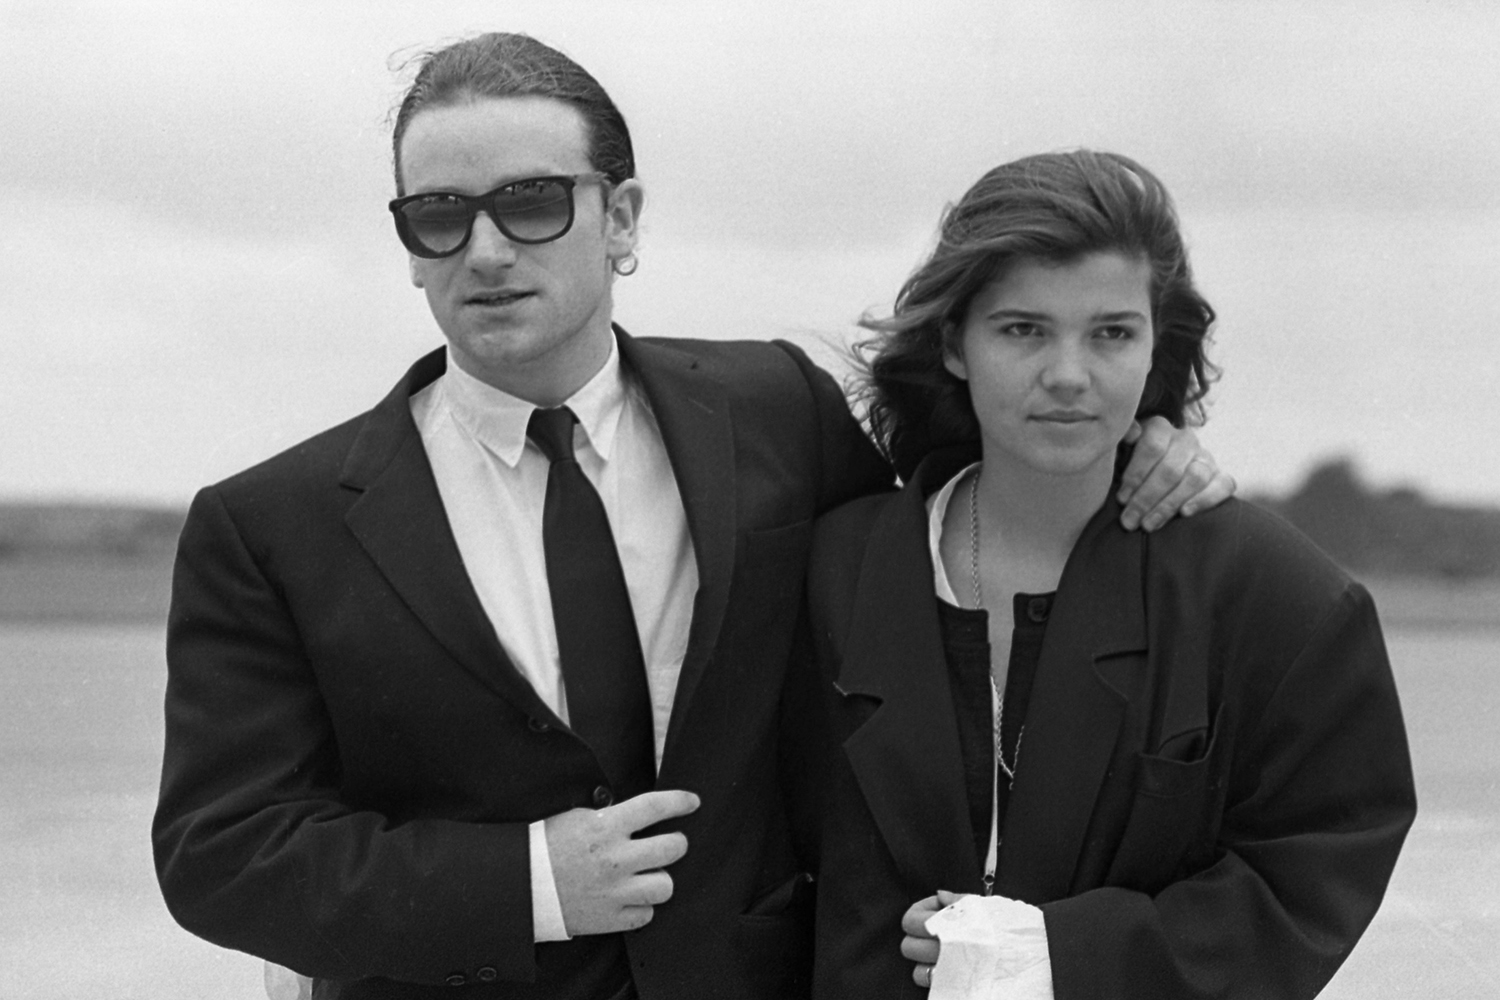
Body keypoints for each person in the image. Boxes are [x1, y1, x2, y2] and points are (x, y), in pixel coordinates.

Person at [152, 35, 1233, 1000]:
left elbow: (970, 503)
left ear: (619, 216)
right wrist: (524, 883)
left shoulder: (774, 412)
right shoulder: (271, 526)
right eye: (440, 215)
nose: (484, 251)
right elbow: (221, 852)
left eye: (531, 203)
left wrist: (1145, 439)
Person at [801, 150, 1416, 998]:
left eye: (1111, 333)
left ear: (1156, 343)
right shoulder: (828, 571)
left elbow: (1315, 868)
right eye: (1023, 329)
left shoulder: (1280, 596)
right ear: (953, 344)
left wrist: (1069, 957)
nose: (1068, 375)